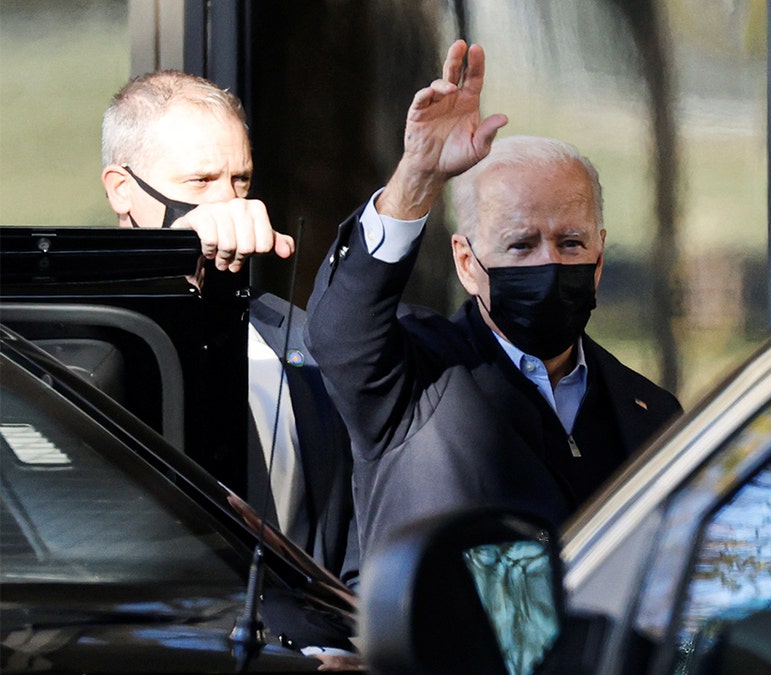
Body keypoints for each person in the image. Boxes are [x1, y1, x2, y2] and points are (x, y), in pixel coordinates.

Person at [306, 40, 682, 564]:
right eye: (520, 244)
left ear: (598, 259)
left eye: (570, 243)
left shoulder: (651, 412)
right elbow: (340, 331)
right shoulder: (414, 379)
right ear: (466, 264)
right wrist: (418, 175)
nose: (546, 264)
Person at [100, 71, 356, 583]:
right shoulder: (79, 337)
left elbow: (342, 529)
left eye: (240, 180)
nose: (229, 204)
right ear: (122, 189)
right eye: (199, 182)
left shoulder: (296, 336)